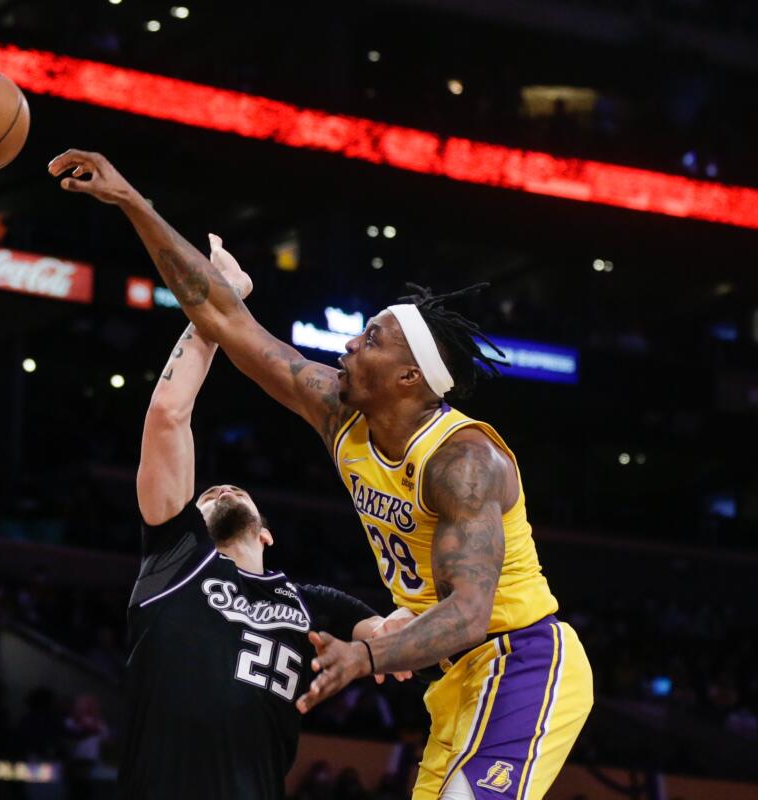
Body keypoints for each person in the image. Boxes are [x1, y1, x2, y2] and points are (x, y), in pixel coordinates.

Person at [50, 150, 594, 800]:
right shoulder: (340, 412)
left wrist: (363, 656)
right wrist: (132, 201)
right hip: (452, 681)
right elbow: (224, 316)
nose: (348, 346)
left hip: (523, 661)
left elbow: (471, 613)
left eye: (370, 339)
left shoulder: (464, 460)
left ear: (408, 377)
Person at [118, 236, 410, 800]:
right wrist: (217, 307)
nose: (221, 487)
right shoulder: (174, 559)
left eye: (234, 489)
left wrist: (401, 638)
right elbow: (167, 415)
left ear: (266, 532)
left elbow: (388, 637)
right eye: (207, 493)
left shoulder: (314, 605)